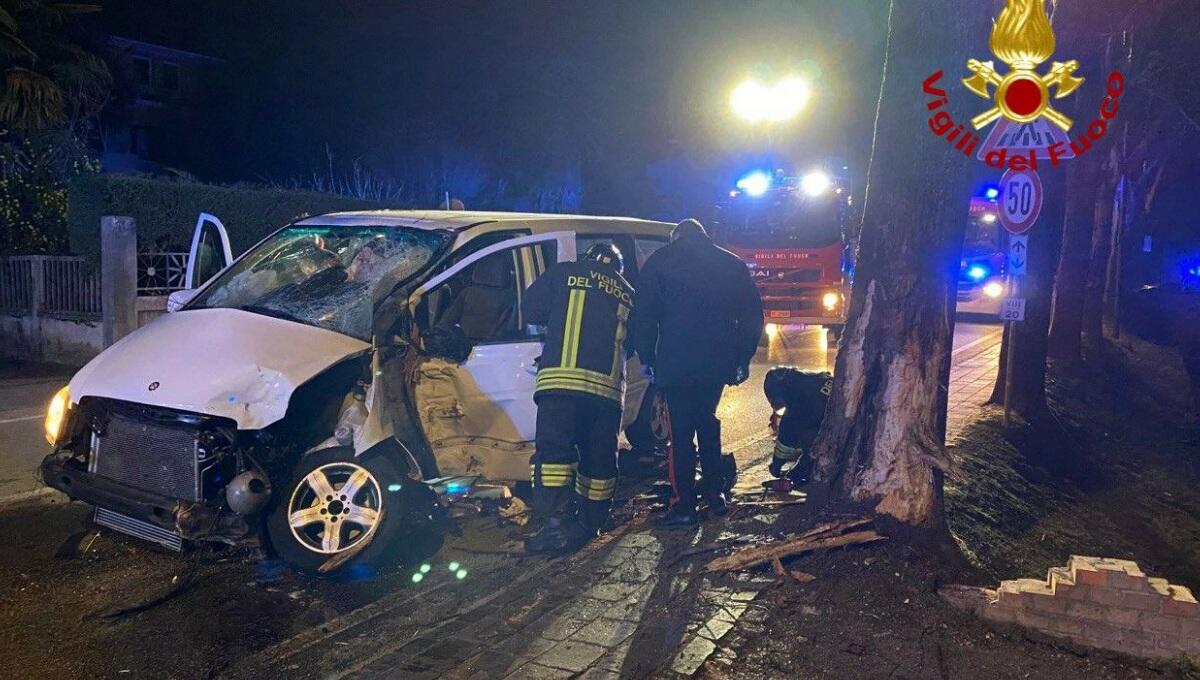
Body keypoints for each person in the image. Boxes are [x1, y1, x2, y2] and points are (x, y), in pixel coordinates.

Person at [632, 219, 763, 528]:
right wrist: (742, 358)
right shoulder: (731, 263)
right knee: (707, 421)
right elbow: (752, 316)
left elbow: (644, 315)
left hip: (675, 362)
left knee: (680, 434)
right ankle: (716, 493)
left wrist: (647, 357)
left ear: (675, 237)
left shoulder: (660, 262)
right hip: (716, 363)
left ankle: (685, 507)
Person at [522, 242, 635, 554]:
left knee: (554, 455)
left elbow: (531, 309)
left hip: (561, 384)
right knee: (600, 459)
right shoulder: (628, 293)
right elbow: (635, 343)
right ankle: (590, 524)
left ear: (589, 258)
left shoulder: (564, 273)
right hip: (607, 392)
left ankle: (554, 529)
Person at [764, 367, 833, 483]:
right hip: (829, 408)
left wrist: (777, 465)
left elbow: (787, 436)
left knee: (808, 438)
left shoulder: (801, 408)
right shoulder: (808, 381)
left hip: (823, 419)